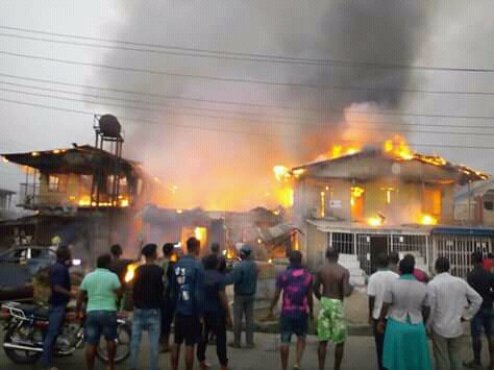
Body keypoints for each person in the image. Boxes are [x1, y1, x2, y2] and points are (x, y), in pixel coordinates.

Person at [427, 256, 482, 370]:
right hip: (457, 326)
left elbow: (430, 308)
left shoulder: (432, 285)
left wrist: (428, 325)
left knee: (441, 358)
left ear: (436, 268)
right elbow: (478, 299)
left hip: (439, 327)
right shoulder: (460, 282)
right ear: (449, 268)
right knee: (456, 357)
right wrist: (467, 316)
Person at [378, 254, 432, 370]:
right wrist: (423, 321)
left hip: (396, 324)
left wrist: (381, 320)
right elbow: (427, 308)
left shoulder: (393, 285)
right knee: (416, 359)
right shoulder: (423, 286)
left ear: (400, 270)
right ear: (413, 270)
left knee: (396, 359)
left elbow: (386, 304)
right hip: (417, 325)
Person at [268, 250, 313, 370]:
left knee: (285, 340)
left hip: (287, 312)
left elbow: (277, 294)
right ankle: (297, 362)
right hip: (302, 312)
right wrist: (312, 311)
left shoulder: (283, 275)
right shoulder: (308, 276)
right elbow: (309, 297)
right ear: (301, 260)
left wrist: (271, 308)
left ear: (289, 260)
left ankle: (284, 367)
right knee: (301, 337)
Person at [76, 253, 122, 370]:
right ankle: (110, 365)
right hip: (109, 312)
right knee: (111, 339)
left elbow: (80, 296)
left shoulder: (88, 277)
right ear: (107, 264)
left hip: (92, 312)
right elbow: (119, 293)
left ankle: (90, 368)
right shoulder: (113, 277)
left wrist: (78, 311)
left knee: (91, 343)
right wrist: (117, 304)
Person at [313, 247, 353, 370]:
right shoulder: (343, 271)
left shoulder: (320, 270)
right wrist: (351, 288)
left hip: (325, 302)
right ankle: (336, 368)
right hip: (337, 304)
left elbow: (315, 288)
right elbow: (346, 292)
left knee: (323, 340)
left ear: (326, 256)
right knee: (340, 341)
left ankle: (321, 367)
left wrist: (321, 299)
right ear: (338, 256)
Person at [170, 237, 205, 370]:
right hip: (191, 311)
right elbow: (198, 293)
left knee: (176, 342)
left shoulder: (177, 264)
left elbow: (173, 290)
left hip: (179, 310)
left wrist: (174, 309)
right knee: (189, 344)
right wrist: (200, 314)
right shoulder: (198, 266)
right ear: (196, 248)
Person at [40, 245, 75, 370]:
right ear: (66, 255)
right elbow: (57, 287)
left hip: (58, 303)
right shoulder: (59, 268)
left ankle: (52, 353)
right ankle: (47, 364)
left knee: (55, 331)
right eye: (69, 254)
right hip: (57, 304)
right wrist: (72, 294)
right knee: (52, 333)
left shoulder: (60, 267)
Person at [129, 244, 164, 370]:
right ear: (153, 254)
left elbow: (134, 288)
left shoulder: (138, 270)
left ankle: (133, 367)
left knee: (135, 343)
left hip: (138, 309)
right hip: (153, 310)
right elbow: (162, 289)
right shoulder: (159, 271)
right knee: (154, 345)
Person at [197, 254, 232, 370]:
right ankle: (223, 364)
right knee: (221, 338)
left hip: (202, 312)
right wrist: (228, 314)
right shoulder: (219, 277)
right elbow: (222, 296)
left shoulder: (200, 276)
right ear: (216, 264)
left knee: (203, 337)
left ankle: (201, 361)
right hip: (217, 312)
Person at [367, 253, 399, 370]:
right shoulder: (396, 277)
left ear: (376, 264)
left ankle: (382, 367)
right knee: (392, 345)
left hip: (377, 315)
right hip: (392, 316)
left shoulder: (373, 277)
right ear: (388, 262)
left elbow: (371, 298)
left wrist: (370, 315)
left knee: (380, 346)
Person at [225, 244, 258, 348]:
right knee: (249, 320)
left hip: (240, 296)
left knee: (238, 319)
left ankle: (237, 342)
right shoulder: (254, 265)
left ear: (242, 254)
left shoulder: (239, 266)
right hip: (251, 295)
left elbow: (232, 279)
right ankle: (250, 342)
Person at [465, 251, 494, 370]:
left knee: (476, 336)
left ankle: (477, 361)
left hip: (477, 309)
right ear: (482, 260)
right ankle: (492, 362)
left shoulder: (471, 275)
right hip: (489, 307)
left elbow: (469, 294)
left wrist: (469, 306)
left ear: (473, 260)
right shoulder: (490, 274)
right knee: (491, 335)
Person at [161, 242, 176, 353]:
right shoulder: (171, 265)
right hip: (167, 296)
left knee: (161, 320)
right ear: (171, 251)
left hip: (158, 295)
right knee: (166, 321)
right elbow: (173, 281)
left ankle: (160, 342)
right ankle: (164, 344)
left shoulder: (159, 262)